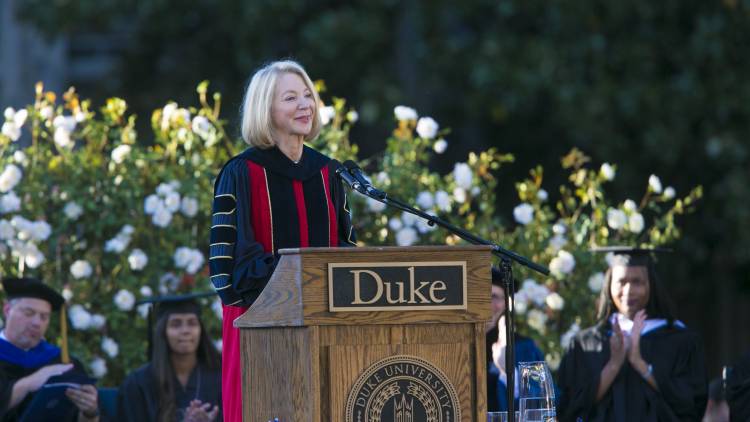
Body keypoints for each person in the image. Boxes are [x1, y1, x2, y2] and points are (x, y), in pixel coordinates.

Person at [209, 60, 356, 421]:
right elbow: (230, 271)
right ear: (266, 109)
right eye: (291, 98)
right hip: (259, 331)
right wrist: (307, 277)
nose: (305, 105)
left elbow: (346, 252)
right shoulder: (241, 173)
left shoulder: (329, 172)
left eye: (308, 95)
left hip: (327, 331)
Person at [557, 247, 708, 421]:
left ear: (651, 284)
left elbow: (691, 405)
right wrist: (613, 365)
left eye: (637, 282)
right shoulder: (585, 343)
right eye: (621, 282)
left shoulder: (680, 341)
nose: (628, 291)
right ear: (609, 285)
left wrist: (640, 363)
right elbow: (569, 408)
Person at [0, 277, 100, 421]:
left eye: (44, 317)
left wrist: (90, 412)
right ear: (7, 310)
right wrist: (28, 383)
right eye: (29, 313)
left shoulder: (60, 361)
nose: (37, 323)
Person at [117, 292, 221, 422]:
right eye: (176, 324)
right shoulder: (138, 384)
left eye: (192, 323)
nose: (185, 330)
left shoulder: (219, 377)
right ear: (163, 332)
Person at [486, 267, 546, 412]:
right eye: (480, 295)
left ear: (505, 304)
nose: (487, 304)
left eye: (495, 296)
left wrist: (507, 372)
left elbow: (540, 403)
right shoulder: (457, 345)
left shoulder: (523, 347)